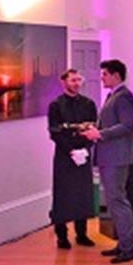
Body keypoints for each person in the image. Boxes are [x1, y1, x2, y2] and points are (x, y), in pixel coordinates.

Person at [82, 59, 133, 264]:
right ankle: (125, 243)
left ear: (116, 75)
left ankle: (129, 247)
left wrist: (100, 134)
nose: (101, 77)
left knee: (118, 201)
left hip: (117, 157)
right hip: (110, 156)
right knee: (115, 201)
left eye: (105, 74)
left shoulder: (124, 97)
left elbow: (127, 126)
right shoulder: (114, 96)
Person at [47, 68, 98, 250]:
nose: (76, 83)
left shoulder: (89, 104)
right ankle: (62, 236)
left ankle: (82, 234)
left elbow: (93, 130)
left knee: (83, 193)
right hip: (64, 155)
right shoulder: (56, 105)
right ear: (64, 83)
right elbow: (54, 133)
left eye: (78, 80)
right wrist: (71, 150)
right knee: (63, 194)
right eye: (72, 80)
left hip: (83, 155)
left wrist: (84, 149)